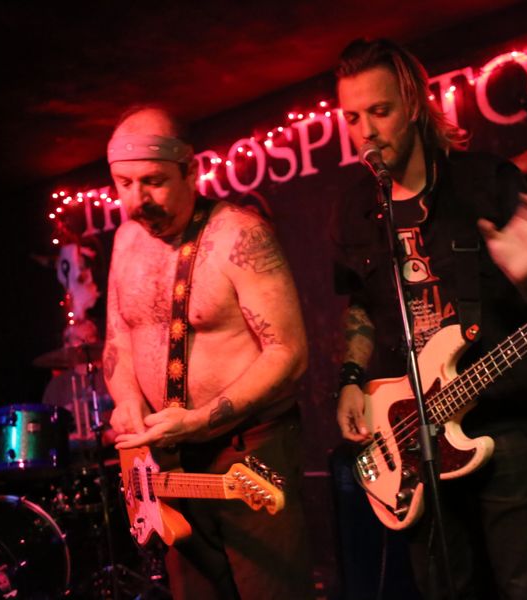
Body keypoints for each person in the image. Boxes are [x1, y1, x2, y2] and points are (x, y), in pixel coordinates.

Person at [332, 39, 527, 600]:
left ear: (414, 104)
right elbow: (360, 306)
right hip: (412, 432)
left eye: (379, 111)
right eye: (352, 117)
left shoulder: (484, 180)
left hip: (502, 417)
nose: (366, 131)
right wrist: (351, 379)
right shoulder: (352, 209)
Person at [103, 105, 313, 600]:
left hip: (248, 451)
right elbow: (119, 338)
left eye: (153, 182)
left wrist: (199, 420)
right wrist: (126, 401)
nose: (136, 200)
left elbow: (289, 352)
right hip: (170, 460)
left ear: (191, 170)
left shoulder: (240, 234)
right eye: (124, 184)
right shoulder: (126, 240)